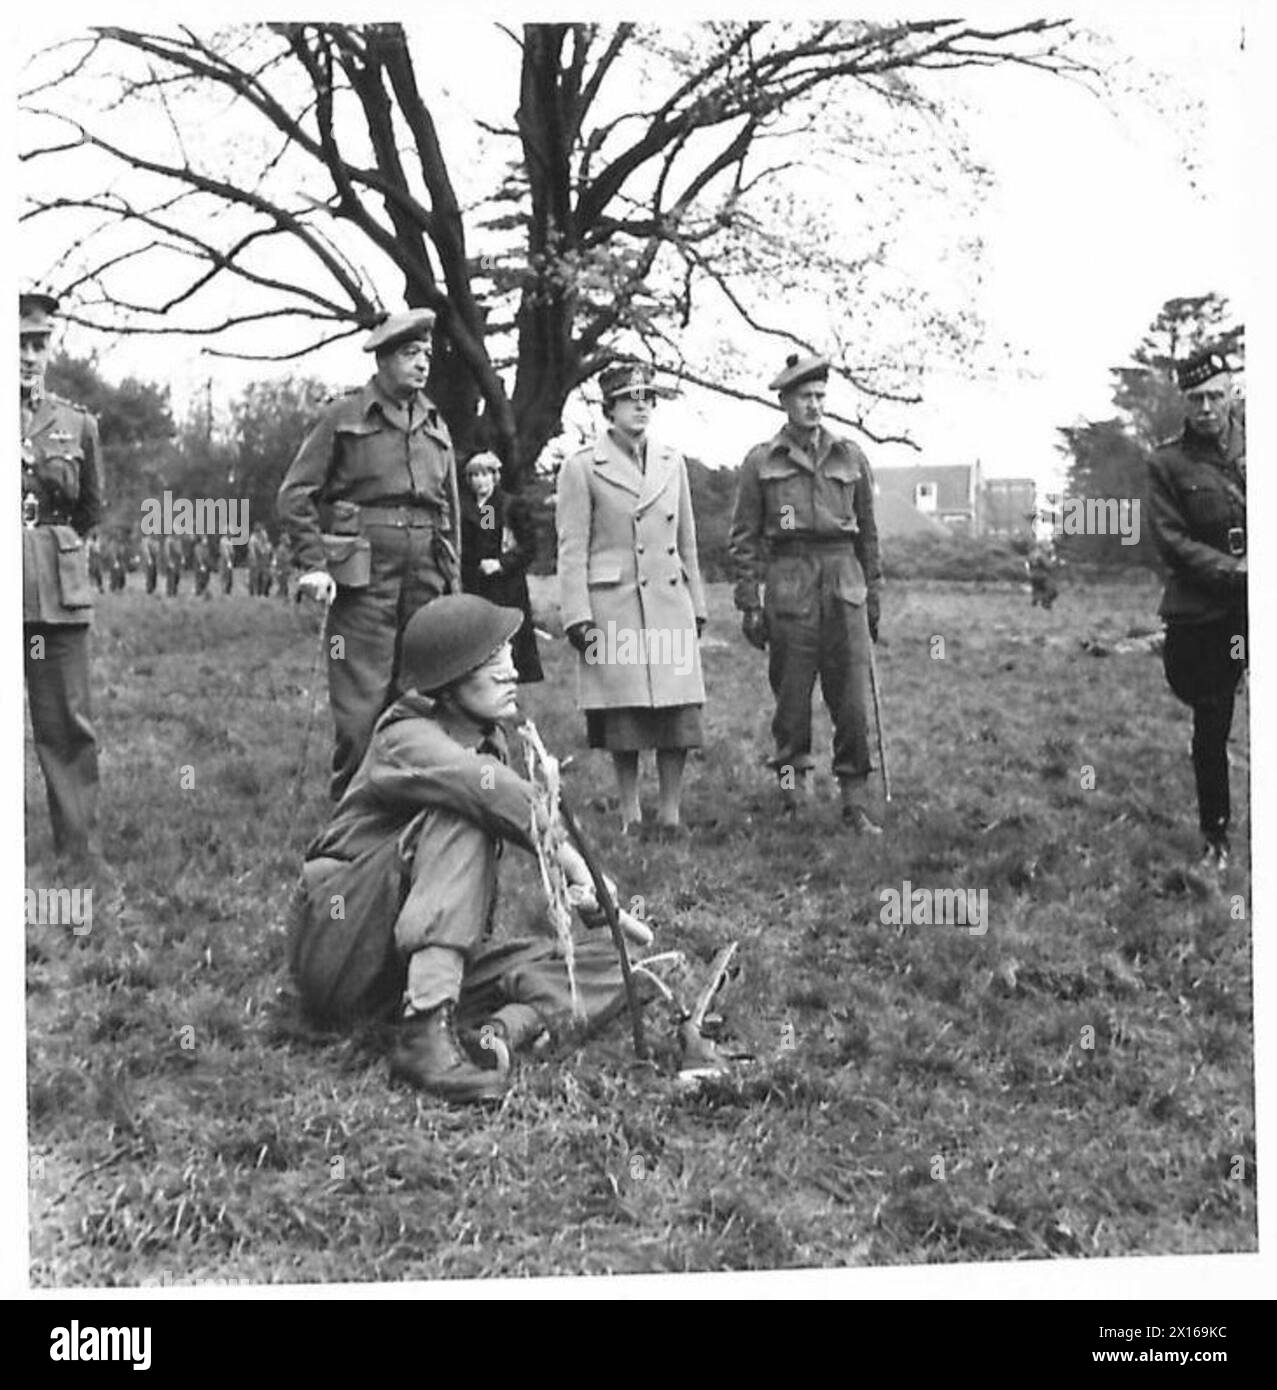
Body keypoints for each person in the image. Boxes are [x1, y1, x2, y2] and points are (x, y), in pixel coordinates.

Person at [287, 595, 657, 1104]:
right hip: (341, 946)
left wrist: (596, 900)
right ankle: (423, 1035)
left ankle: (501, 1032)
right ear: (448, 677)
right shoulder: (405, 736)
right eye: (492, 661)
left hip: (401, 962)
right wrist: (578, 869)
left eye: (509, 655)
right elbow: (491, 792)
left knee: (615, 962)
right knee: (461, 815)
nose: (513, 672)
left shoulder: (489, 742)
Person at [276, 308, 461, 799]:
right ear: (382, 360)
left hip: (426, 580)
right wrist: (314, 566)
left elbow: (450, 514)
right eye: (409, 353)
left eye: (426, 354)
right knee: (361, 712)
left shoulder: (436, 423)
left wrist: (454, 587)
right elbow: (296, 494)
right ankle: (350, 831)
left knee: (422, 702)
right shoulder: (344, 416)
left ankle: (408, 817)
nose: (422, 364)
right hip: (363, 583)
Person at [728, 353, 883, 831]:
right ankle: (792, 800)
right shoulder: (762, 460)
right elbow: (744, 538)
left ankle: (854, 802)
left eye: (820, 397)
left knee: (852, 701)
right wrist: (750, 602)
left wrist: (873, 595)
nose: (814, 406)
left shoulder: (850, 457)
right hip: (790, 578)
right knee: (791, 702)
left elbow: (869, 536)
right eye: (804, 398)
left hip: (844, 579)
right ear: (785, 402)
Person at [556, 361, 707, 834]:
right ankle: (629, 814)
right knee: (624, 715)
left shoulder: (672, 462)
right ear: (610, 408)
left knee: (676, 713)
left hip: (667, 600)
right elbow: (571, 547)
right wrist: (577, 616)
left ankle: (671, 814)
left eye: (649, 397)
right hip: (615, 604)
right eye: (630, 398)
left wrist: (697, 602)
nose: (641, 405)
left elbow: (687, 541)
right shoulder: (582, 466)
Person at [1148, 348, 1247, 872]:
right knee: (1211, 722)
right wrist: (1237, 571)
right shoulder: (1166, 463)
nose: (1206, 407)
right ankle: (1217, 835)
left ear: (1232, 390)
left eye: (1214, 394)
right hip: (1210, 612)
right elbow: (1171, 540)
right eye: (1195, 398)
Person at [20, 291, 104, 866]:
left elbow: (91, 511)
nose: (29, 356)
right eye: (19, 343)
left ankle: (78, 852)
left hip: (53, 591)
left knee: (66, 725)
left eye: (39, 343)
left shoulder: (78, 424)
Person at [459, 450, 544, 683]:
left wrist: (502, 563)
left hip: (506, 588)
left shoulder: (509, 506)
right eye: (474, 476)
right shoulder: (465, 509)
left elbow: (529, 546)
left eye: (485, 475)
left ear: (495, 476)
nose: (480, 481)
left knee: (508, 645)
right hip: (475, 586)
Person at [1027, 540, 1060, 609]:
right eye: (1046, 546)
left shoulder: (1031, 554)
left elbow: (1028, 565)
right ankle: (1045, 604)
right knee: (1053, 591)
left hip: (1033, 576)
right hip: (1042, 576)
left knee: (1038, 591)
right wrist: (1056, 562)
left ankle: (1036, 605)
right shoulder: (1041, 555)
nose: (1048, 548)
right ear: (1042, 547)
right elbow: (1049, 566)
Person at [247, 522, 272, 596]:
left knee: (265, 576)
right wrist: (254, 560)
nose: (260, 533)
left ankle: (263, 592)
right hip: (254, 558)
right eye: (258, 531)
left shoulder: (263, 534)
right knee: (254, 576)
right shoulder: (252, 539)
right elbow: (252, 552)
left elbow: (266, 544)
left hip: (263, 558)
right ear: (255, 532)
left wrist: (266, 551)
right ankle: (254, 592)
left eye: (260, 531)